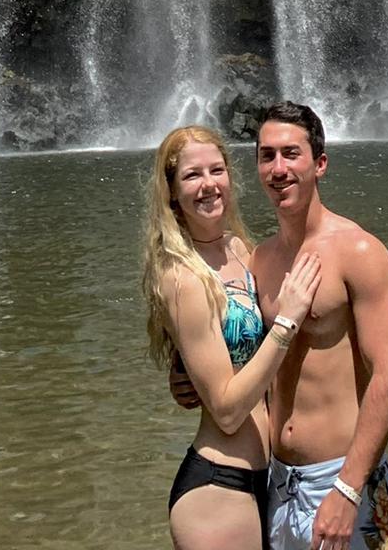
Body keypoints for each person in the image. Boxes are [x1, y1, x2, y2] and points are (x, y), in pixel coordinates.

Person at [145, 124, 321, 550]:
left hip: (274, 478)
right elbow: (225, 410)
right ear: (171, 193)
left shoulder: (240, 249)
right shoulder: (182, 276)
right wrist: (287, 320)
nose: (208, 185)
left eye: (216, 170)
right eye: (192, 175)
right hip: (219, 488)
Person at [253, 102, 388, 550]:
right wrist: (184, 378)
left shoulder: (359, 251)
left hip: (341, 482)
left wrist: (347, 489)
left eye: (290, 154)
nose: (278, 169)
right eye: (266, 156)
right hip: (278, 485)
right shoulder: (259, 259)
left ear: (319, 163)